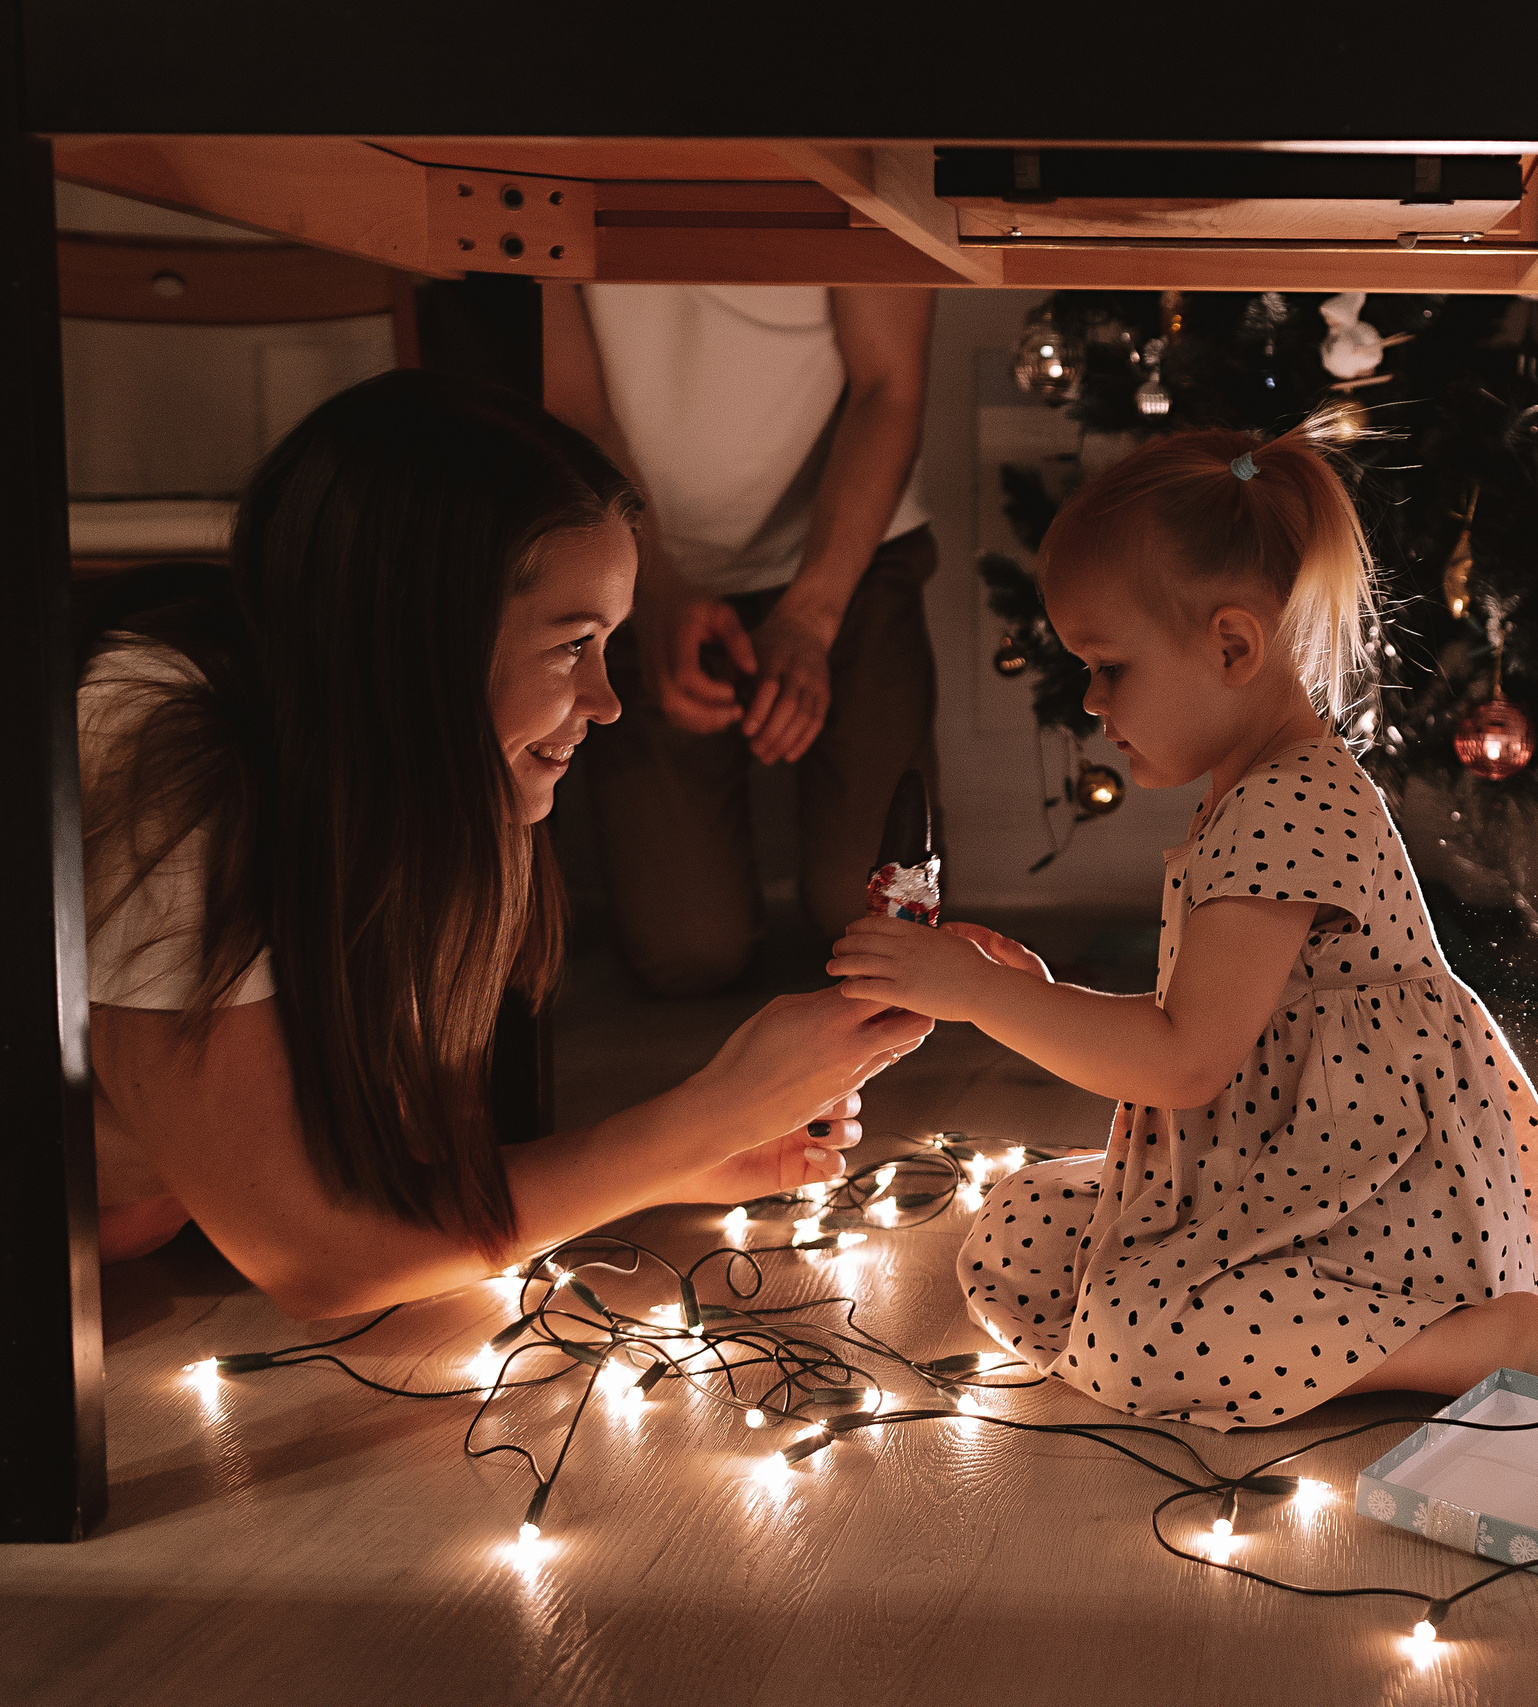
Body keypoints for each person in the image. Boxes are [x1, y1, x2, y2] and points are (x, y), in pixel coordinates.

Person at [827, 416, 1538, 1430]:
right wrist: (1035, 997)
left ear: (1230, 644)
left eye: (1108, 667)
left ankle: (1467, 1343)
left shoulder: (1287, 806)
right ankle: (1359, 1327)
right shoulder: (1259, 787)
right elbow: (1226, 1021)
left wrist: (982, 998)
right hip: (1285, 1156)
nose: (1089, 700)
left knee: (1132, 1338)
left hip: (1384, 1197)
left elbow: (1182, 1063)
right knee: (1017, 1236)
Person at [77, 369, 930, 1320]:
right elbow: (315, 1251)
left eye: (608, 644)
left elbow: (409, 1180)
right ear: (424, 637)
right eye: (573, 646)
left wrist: (679, 1159)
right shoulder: (154, 734)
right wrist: (699, 1116)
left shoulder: (418, 788)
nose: (607, 702)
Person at [541, 283, 940, 995]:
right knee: (689, 954)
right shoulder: (546, 174)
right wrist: (651, 590)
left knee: (880, 922)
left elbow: (891, 390)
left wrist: (811, 615)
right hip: (635, 553)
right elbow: (574, 409)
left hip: (851, 549)